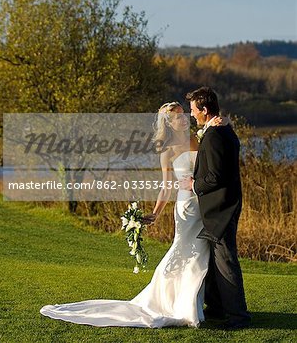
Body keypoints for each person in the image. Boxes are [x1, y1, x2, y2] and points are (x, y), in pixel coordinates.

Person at [40, 102, 220, 328]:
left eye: (184, 114)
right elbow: (166, 187)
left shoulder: (197, 139)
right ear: (169, 123)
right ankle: (178, 305)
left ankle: (191, 304)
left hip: (204, 203)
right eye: (177, 117)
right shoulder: (167, 151)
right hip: (186, 208)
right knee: (185, 252)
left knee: (200, 256)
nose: (183, 119)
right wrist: (155, 213)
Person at [180, 87, 251, 330]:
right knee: (214, 261)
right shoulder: (223, 130)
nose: (191, 115)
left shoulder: (215, 135)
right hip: (221, 208)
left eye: (193, 111)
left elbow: (216, 177)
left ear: (205, 110)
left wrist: (194, 184)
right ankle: (217, 306)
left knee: (226, 263)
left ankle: (238, 317)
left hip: (221, 210)